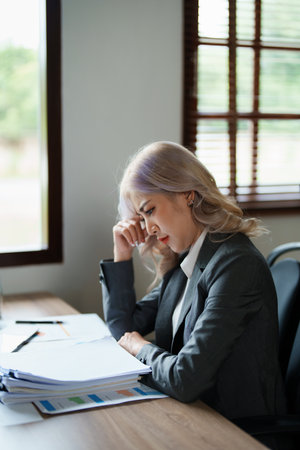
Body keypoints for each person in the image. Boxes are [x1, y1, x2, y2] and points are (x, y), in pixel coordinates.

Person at [99, 141, 286, 420]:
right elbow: (124, 329)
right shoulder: (184, 257)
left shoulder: (236, 264)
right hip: (191, 414)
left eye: (149, 210)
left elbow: (185, 379)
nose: (148, 229)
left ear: (186, 193)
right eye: (140, 217)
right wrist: (121, 254)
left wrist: (141, 347)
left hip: (235, 429)